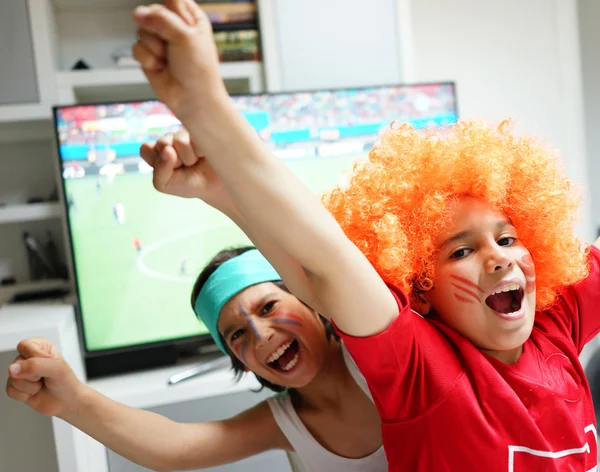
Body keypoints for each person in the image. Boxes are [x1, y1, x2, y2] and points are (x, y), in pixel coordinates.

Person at [121, 1, 600, 470]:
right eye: (460, 250)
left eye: (508, 238)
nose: (499, 259)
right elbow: (326, 256)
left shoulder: (556, 324)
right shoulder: (423, 371)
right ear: (422, 290)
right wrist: (206, 107)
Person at [5, 135, 386, 472]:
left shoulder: (377, 350)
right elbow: (175, 448)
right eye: (235, 334)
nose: (259, 334)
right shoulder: (285, 422)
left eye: (268, 306)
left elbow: (323, 251)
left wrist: (218, 192)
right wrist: (72, 400)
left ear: (308, 300)